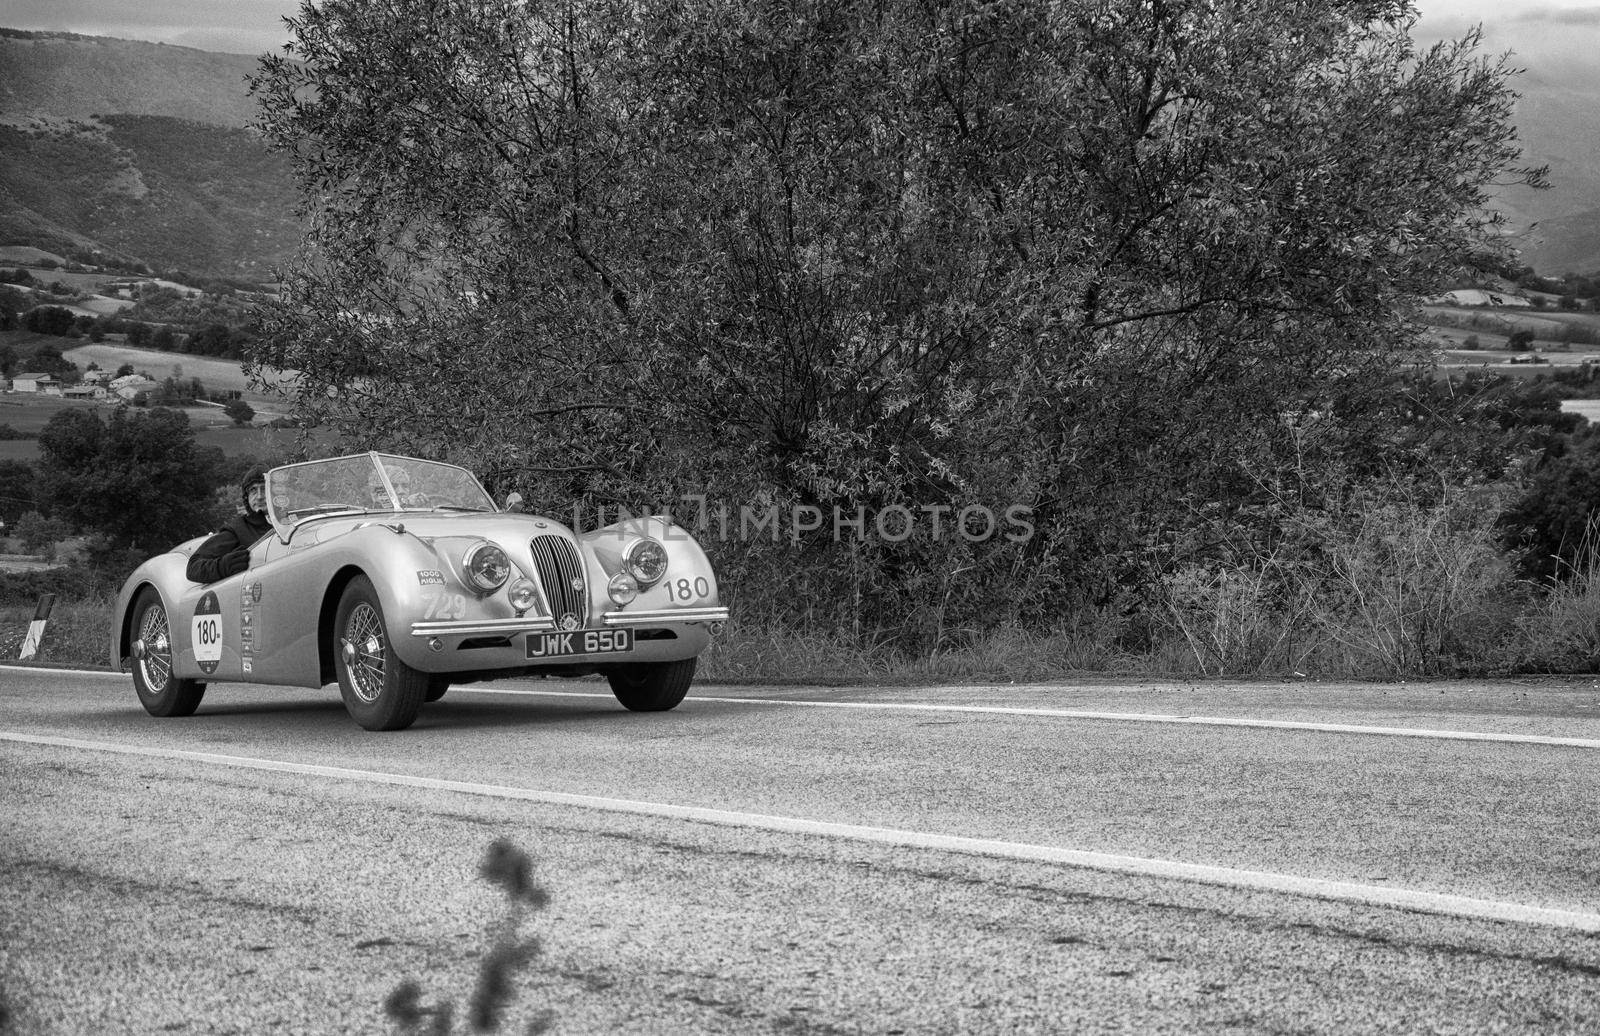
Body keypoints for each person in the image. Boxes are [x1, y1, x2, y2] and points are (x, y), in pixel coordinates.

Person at [187, 466, 274, 583]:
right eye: (253, 490)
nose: (259, 496)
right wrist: (223, 567)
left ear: (274, 492)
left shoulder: (292, 520)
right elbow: (193, 567)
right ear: (246, 497)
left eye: (264, 488)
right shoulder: (237, 530)